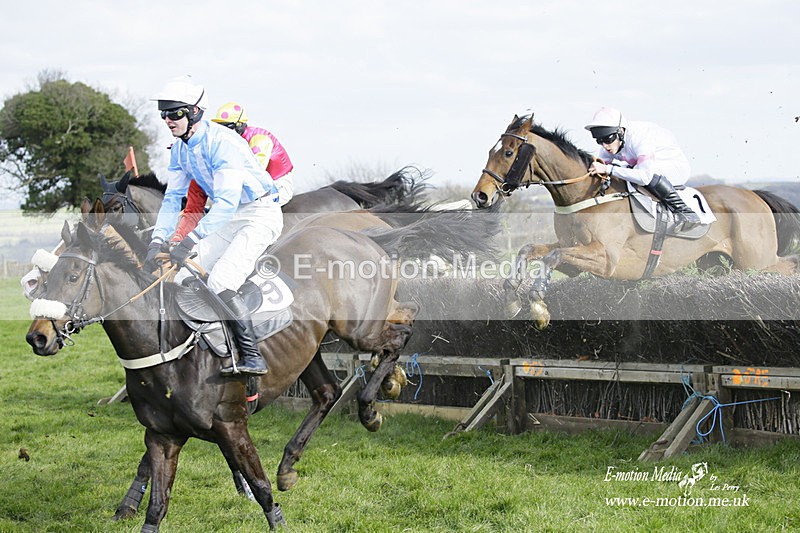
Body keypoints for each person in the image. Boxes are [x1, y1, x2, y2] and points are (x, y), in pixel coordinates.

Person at [144, 76, 283, 376]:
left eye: (175, 113)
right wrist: (157, 240)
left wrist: (188, 242)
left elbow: (225, 203)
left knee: (220, 281)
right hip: (229, 217)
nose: (168, 120)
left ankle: (251, 354)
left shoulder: (222, 143)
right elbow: (172, 200)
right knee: (182, 276)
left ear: (194, 112)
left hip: (259, 214)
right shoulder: (180, 149)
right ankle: (204, 349)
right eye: (164, 114)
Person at [170, 102, 295, 243]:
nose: (223, 132)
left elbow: (253, 179)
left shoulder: (259, 139)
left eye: (228, 127)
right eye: (221, 127)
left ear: (240, 125)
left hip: (276, 184)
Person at [585, 106, 701, 230]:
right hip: (645, 166)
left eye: (608, 139)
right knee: (622, 172)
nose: (605, 146)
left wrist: (609, 169)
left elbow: (645, 177)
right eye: (599, 141)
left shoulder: (639, 138)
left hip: (674, 166)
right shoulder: (610, 143)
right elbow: (600, 168)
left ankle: (687, 213)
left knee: (636, 173)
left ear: (620, 132)